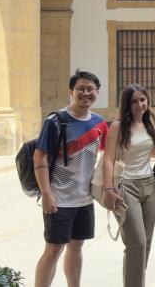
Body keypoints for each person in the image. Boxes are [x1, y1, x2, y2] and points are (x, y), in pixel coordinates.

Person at [32, 70, 109, 287]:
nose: (86, 93)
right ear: (71, 92)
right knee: (54, 248)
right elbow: (40, 156)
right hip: (59, 198)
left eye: (90, 89)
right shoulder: (56, 121)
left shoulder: (99, 123)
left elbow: (108, 155)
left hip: (84, 198)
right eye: (80, 89)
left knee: (77, 246)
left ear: (97, 92)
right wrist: (46, 194)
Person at [102, 84, 155, 287]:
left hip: (149, 185)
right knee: (137, 242)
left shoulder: (149, 122)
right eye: (134, 101)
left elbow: (153, 152)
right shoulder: (118, 127)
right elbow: (108, 159)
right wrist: (109, 189)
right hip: (126, 186)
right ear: (127, 104)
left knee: (146, 243)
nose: (139, 104)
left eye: (142, 100)